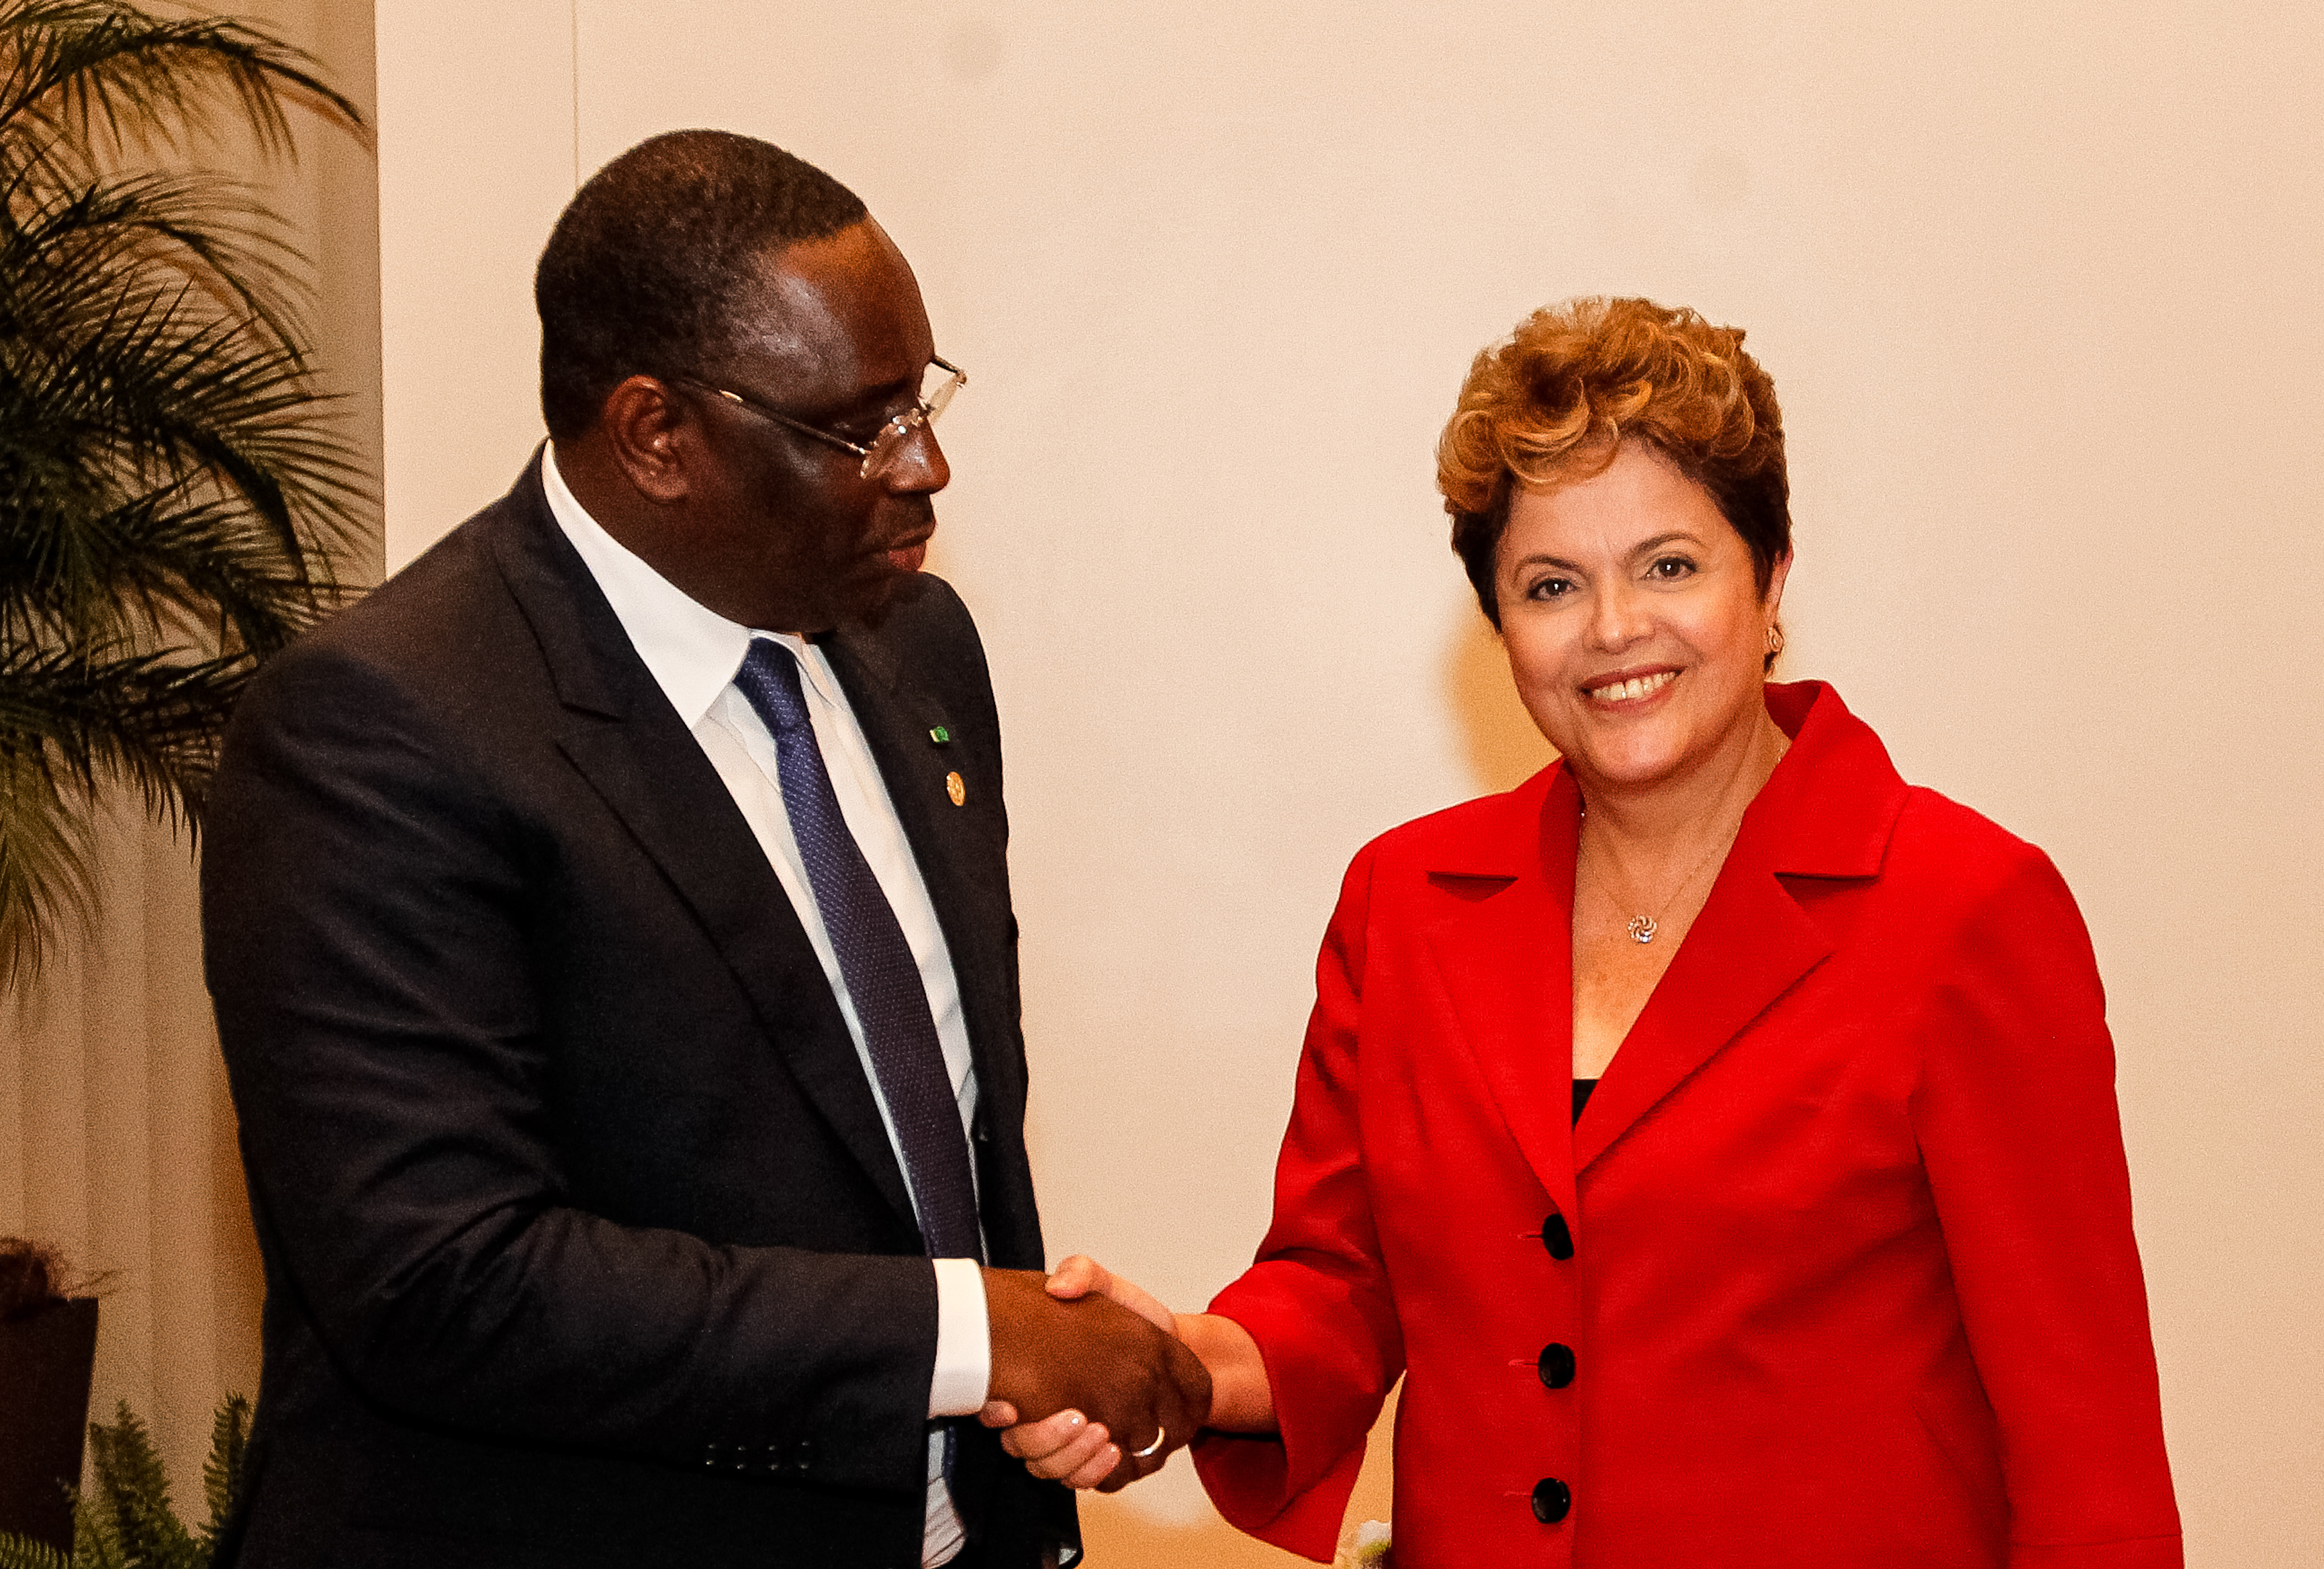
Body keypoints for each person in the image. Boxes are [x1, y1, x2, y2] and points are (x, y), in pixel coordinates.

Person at [989, 298, 2180, 1567]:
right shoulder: (1404, 902)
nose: (1613, 629)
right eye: (1551, 584)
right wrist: (1172, 1361)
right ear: (1500, 625)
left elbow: (2085, 1452)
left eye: (1669, 564)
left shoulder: (1965, 907)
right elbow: (1337, 1290)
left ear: (1771, 579)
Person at [201, 130, 1207, 1569]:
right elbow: (444, 1278)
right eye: (859, 428)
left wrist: (1025, 1376)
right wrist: (978, 1332)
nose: (925, 465)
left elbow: (917, 1132)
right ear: (657, 434)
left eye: (918, 400)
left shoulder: (913, 642)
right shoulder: (381, 728)